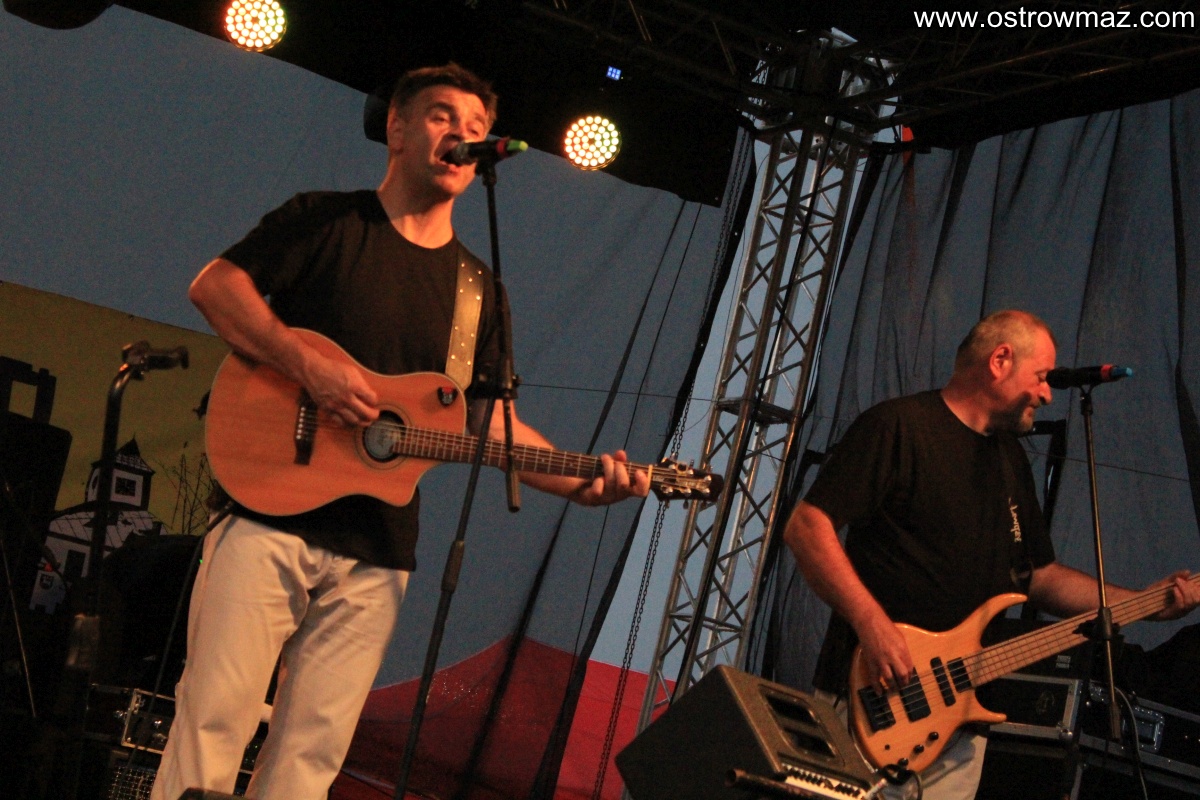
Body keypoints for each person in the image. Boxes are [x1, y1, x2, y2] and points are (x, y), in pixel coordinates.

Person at [149, 63, 650, 800]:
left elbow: (490, 420)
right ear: (396, 128)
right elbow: (217, 287)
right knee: (213, 723)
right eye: (443, 116)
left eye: (476, 128)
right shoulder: (326, 221)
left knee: (311, 757)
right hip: (265, 514)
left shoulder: (478, 291)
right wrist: (309, 367)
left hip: (379, 552)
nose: (462, 136)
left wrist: (582, 484)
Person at [783, 309, 1200, 799]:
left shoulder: (1009, 459)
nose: (1047, 394)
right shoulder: (898, 426)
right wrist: (871, 623)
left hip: (959, 725)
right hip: (873, 702)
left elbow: (1038, 576)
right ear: (1000, 360)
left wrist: (1145, 604)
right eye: (1041, 376)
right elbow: (807, 526)